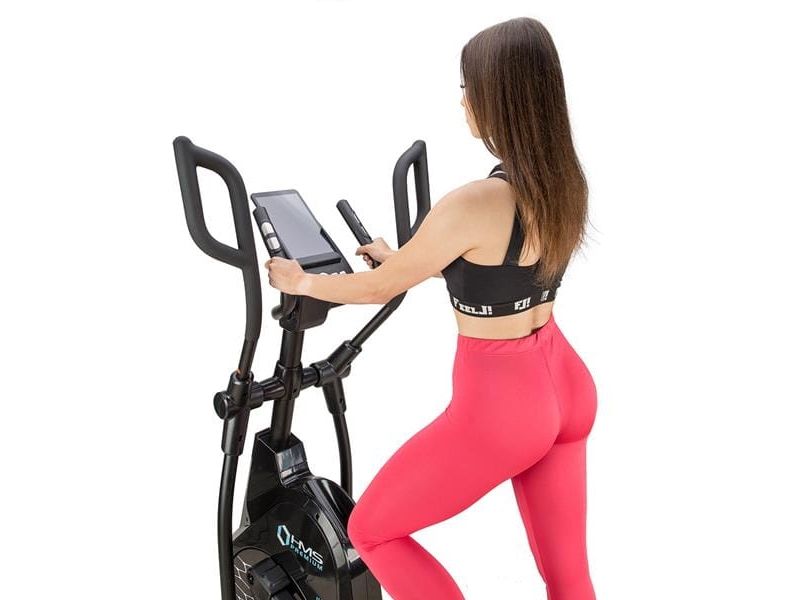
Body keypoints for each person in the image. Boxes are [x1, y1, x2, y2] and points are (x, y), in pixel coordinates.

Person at [265, 16, 597, 600]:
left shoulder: (473, 201)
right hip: (566, 383)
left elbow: (376, 289)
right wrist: (407, 259)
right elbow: (499, 266)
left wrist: (302, 280)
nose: (463, 101)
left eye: (470, 87)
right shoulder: (560, 183)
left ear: (500, 98)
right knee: (568, 578)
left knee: (371, 530)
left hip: (504, 406)